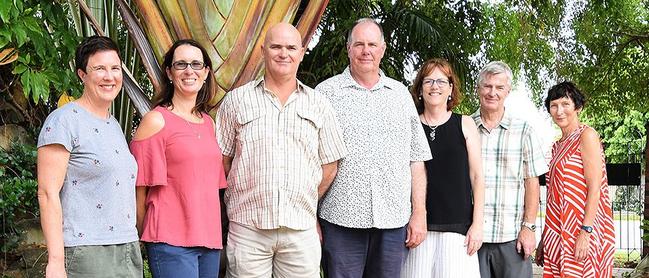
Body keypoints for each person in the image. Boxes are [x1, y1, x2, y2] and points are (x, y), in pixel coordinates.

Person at [215, 23, 347, 278]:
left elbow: (330, 164)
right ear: (263, 50)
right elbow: (223, 159)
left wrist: (305, 195)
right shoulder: (237, 100)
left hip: (300, 230)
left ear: (301, 52)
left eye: (290, 47)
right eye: (276, 46)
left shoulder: (319, 104)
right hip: (248, 229)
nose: (283, 53)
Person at [316, 18, 432, 278]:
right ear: (348, 49)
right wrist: (311, 215)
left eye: (371, 44)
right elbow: (310, 160)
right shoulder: (325, 94)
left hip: (393, 221)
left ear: (383, 49)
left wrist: (419, 213)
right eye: (359, 44)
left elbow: (416, 158)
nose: (365, 50)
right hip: (340, 220)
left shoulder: (400, 95)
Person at [37, 35, 142, 278]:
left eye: (115, 68)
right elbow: (47, 193)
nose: (109, 76)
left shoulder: (113, 124)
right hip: (87, 250)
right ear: (82, 74)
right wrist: (55, 262)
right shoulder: (63, 121)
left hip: (126, 245)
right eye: (100, 68)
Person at [129, 39, 227, 277]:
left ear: (205, 73)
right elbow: (137, 188)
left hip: (209, 241)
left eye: (196, 64)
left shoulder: (209, 124)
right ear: (169, 72)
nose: (189, 70)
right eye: (181, 64)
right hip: (170, 241)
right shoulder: (156, 121)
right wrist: (146, 234)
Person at [400, 58, 485, 278]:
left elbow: (477, 178)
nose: (434, 86)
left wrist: (477, 225)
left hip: (458, 229)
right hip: (417, 229)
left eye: (441, 81)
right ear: (419, 90)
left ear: (450, 88)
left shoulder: (465, 124)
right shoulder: (410, 125)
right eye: (428, 81)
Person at [471, 61, 548, 278]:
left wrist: (529, 228)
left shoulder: (524, 130)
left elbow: (532, 183)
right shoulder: (465, 127)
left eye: (499, 87)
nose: (492, 92)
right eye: (487, 86)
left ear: (508, 91)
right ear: (478, 89)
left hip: (512, 237)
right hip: (473, 237)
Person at [535, 81, 615, 277]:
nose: (559, 111)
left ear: (577, 107)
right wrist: (545, 237)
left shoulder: (586, 136)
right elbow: (554, 196)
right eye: (554, 106)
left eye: (565, 104)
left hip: (581, 229)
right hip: (557, 231)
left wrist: (585, 232)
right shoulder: (557, 146)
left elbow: (595, 188)